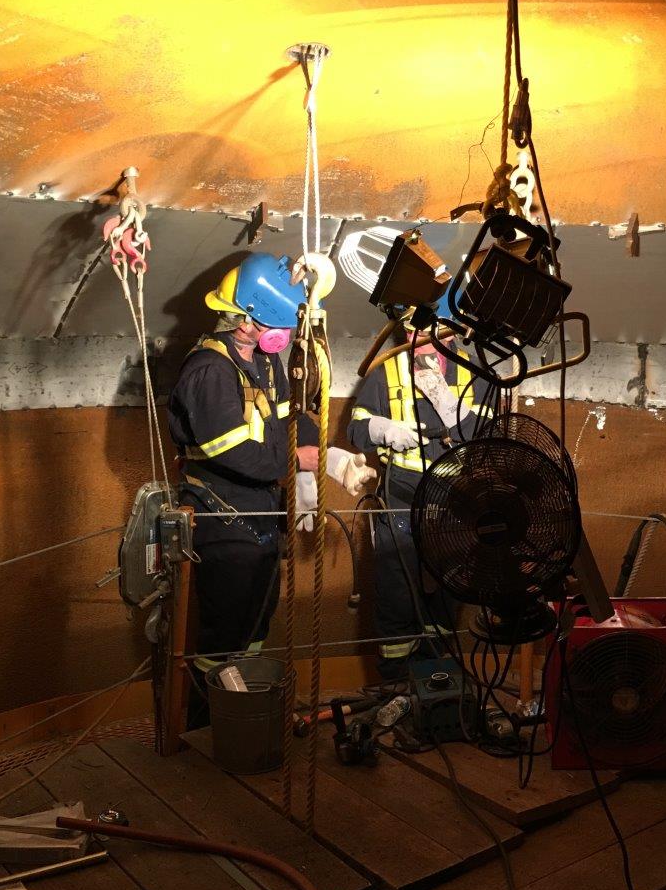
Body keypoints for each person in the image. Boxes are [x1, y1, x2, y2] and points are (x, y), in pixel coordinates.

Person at [169, 252, 373, 723]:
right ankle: (208, 724)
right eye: (274, 328)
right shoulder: (209, 372)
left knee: (256, 622)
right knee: (225, 633)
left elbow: (286, 421)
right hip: (223, 519)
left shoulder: (262, 360)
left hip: (261, 515)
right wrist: (297, 461)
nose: (279, 340)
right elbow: (231, 452)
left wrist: (328, 454)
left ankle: (247, 714)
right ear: (246, 322)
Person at [347, 301, 494, 680]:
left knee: (448, 592)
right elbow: (356, 429)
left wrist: (450, 408)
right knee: (396, 591)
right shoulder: (387, 371)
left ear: (452, 330)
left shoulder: (475, 373)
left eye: (427, 334)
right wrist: (381, 430)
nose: (416, 341)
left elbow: (490, 435)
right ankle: (395, 681)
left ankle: (437, 678)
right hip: (401, 497)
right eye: (410, 332)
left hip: (455, 498)